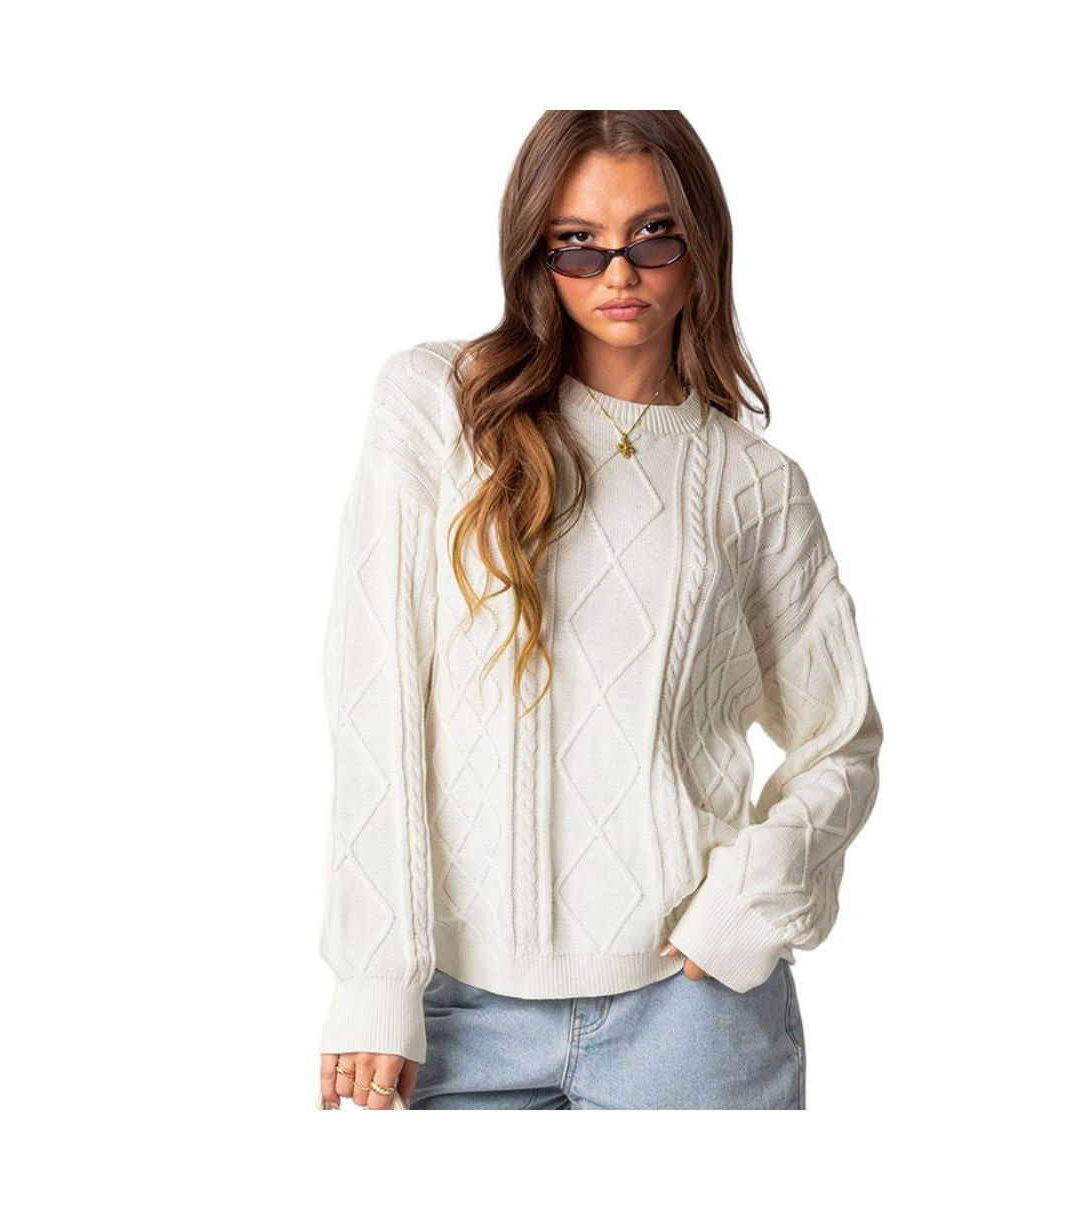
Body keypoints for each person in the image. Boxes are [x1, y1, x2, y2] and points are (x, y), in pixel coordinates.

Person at [316, 110, 883, 1111]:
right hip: (458, 1017)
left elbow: (840, 741)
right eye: (578, 243)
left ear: (701, 241)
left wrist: (747, 903)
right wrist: (375, 978)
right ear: (537, 253)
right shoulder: (439, 405)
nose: (618, 272)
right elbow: (374, 695)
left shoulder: (755, 485)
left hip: (692, 1015)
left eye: (653, 235)